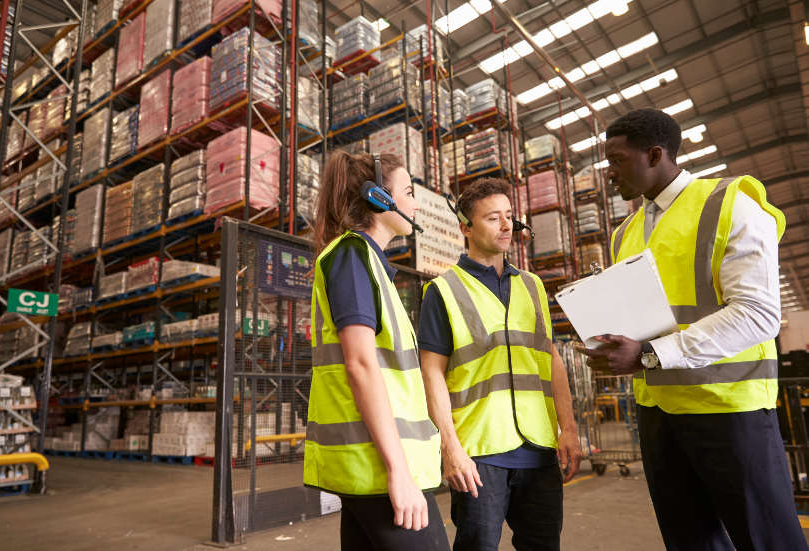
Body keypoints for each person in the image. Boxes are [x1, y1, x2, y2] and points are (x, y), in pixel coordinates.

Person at [578, 108, 806, 551]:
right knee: (690, 542)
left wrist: (648, 354)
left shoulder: (730, 204)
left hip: (728, 410)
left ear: (655, 154)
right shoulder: (625, 233)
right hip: (658, 413)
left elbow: (757, 313)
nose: (609, 174)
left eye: (617, 161)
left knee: (767, 540)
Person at [418, 177, 582, 551]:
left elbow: (551, 359)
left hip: (539, 448)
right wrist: (450, 448)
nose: (507, 225)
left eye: (509, 216)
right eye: (493, 218)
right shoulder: (443, 291)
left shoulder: (533, 285)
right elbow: (431, 374)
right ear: (466, 227)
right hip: (480, 452)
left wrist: (568, 428)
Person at [304, 150, 449, 551]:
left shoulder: (366, 262)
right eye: (408, 191)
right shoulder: (352, 257)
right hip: (378, 465)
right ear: (378, 199)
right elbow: (361, 365)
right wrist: (398, 470)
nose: (417, 203)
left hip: (370, 464)